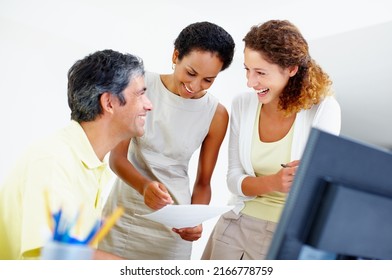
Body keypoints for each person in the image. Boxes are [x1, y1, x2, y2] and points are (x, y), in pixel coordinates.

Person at [201, 19, 341, 260]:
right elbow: (234, 180)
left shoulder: (322, 110)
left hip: (285, 235)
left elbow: (316, 189)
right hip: (234, 227)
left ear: (291, 69)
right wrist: (276, 182)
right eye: (247, 69)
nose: (250, 82)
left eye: (260, 73)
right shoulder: (243, 104)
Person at [98, 21, 235, 260]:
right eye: (191, 73)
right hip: (124, 215)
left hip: (173, 226)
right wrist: (144, 186)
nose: (195, 86)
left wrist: (196, 220)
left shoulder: (216, 114)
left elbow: (203, 183)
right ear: (176, 55)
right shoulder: (140, 86)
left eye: (208, 80)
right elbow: (117, 158)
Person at [0, 49, 153, 260]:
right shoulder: (54, 161)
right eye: (140, 94)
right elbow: (54, 262)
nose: (149, 105)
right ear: (109, 103)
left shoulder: (90, 164)